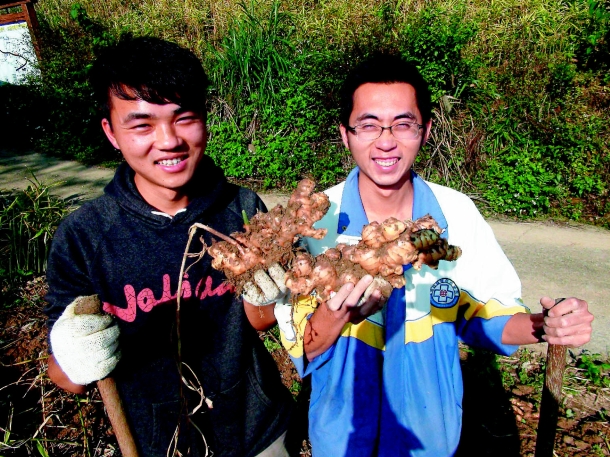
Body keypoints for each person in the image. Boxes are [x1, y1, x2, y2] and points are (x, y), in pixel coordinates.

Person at [275, 54, 594, 457]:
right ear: (345, 134)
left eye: (403, 124)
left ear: (424, 131)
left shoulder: (456, 214)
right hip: (342, 436)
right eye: (369, 125)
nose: (386, 141)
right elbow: (303, 344)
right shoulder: (317, 221)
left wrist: (545, 325)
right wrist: (333, 316)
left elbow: (486, 316)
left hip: (429, 436)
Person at [44, 36, 294, 457]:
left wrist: (271, 297)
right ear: (111, 132)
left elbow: (258, 322)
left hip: (256, 432)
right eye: (141, 124)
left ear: (205, 120)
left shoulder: (243, 209)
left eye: (184, 117)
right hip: (157, 444)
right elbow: (66, 377)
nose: (168, 140)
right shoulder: (84, 236)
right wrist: (74, 355)